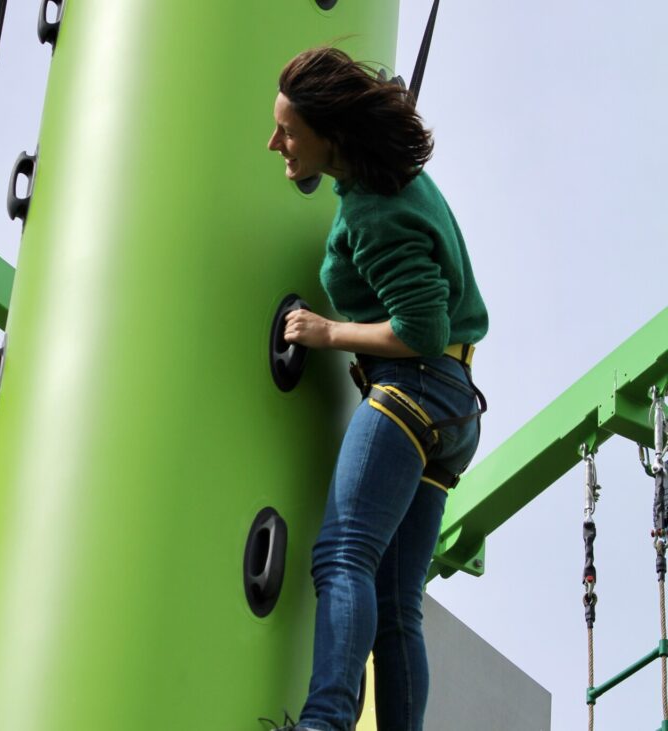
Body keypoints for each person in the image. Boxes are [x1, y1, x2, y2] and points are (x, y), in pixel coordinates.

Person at [265, 47, 489, 731]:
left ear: (331, 134)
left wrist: (328, 332)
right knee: (397, 603)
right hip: (455, 405)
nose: (275, 142)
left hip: (413, 387)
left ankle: (324, 721)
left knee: (342, 554)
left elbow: (420, 328)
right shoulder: (390, 181)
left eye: (289, 132)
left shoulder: (374, 214)